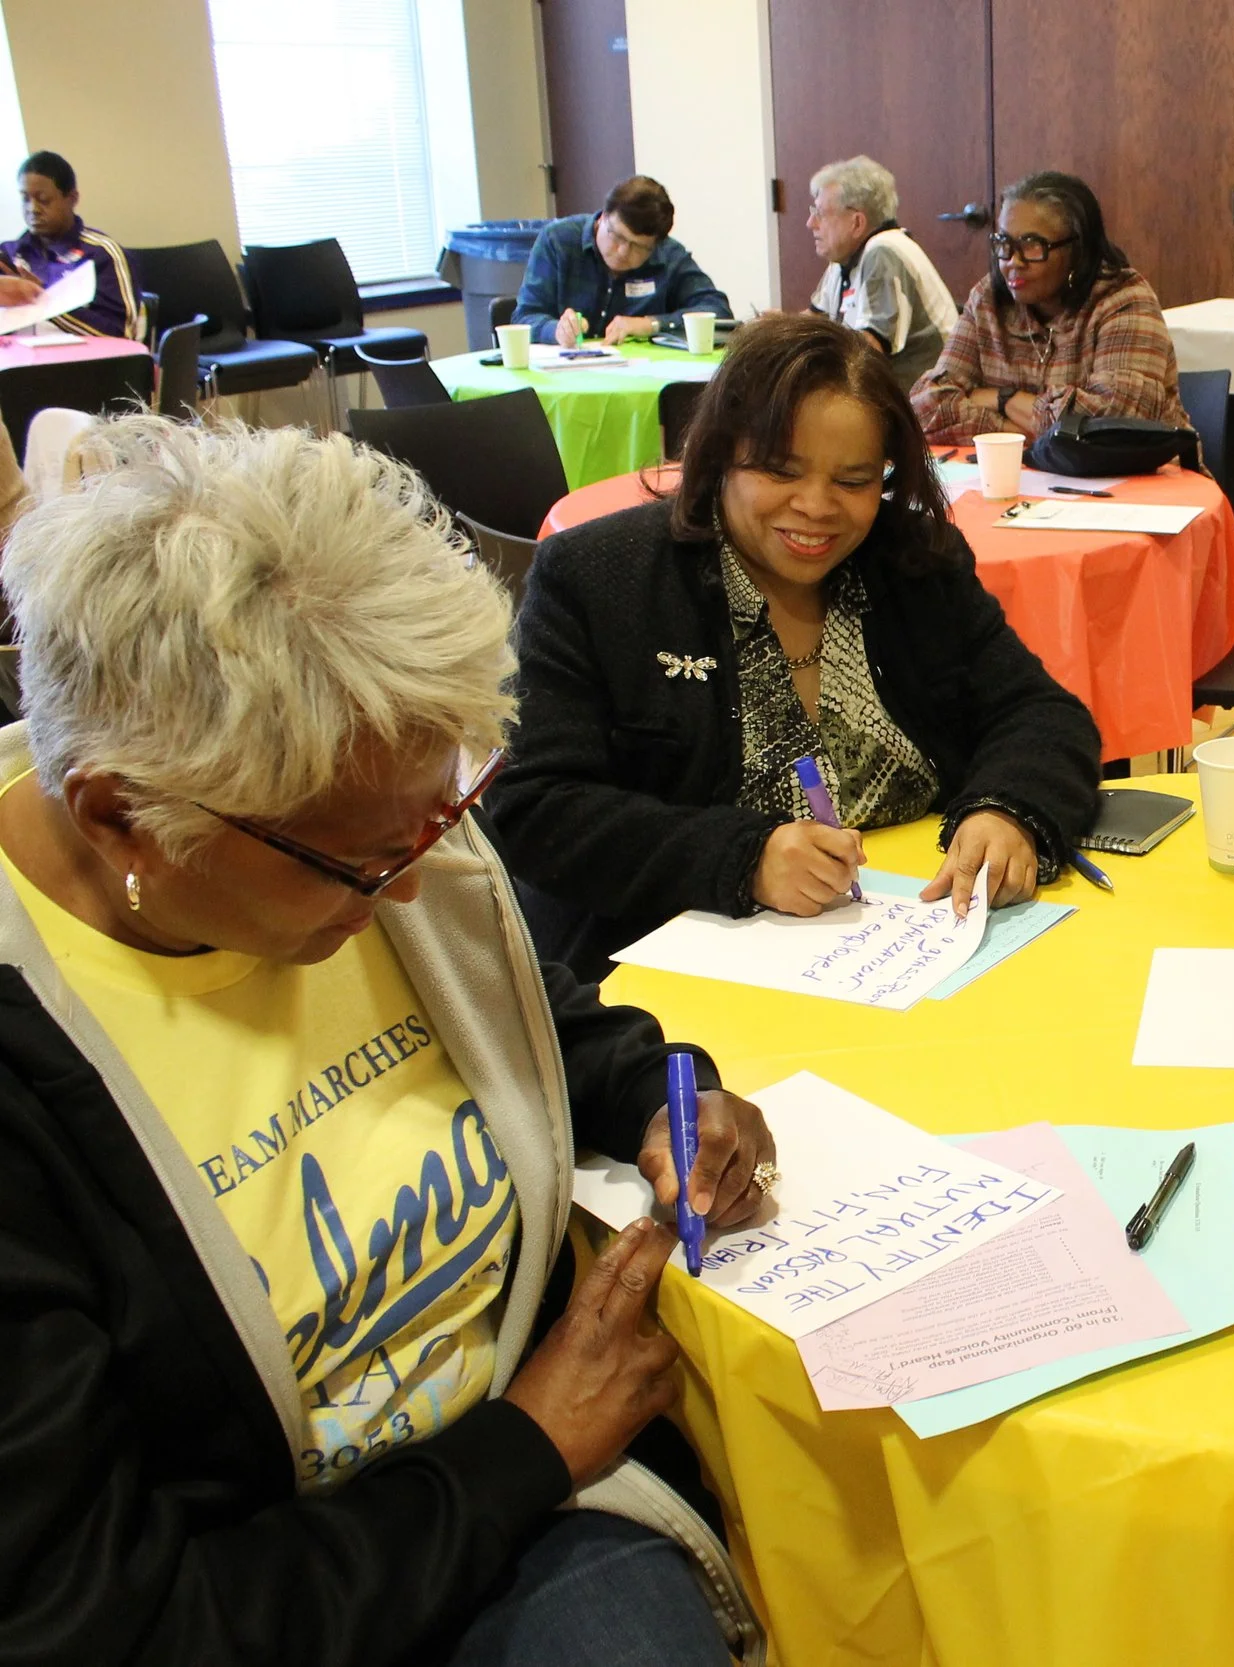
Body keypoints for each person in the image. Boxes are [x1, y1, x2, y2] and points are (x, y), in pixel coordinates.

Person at [0, 415, 772, 1664]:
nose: (415, 884)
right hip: (291, 1575)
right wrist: (523, 1444)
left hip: (537, 1501)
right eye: (359, 860)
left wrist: (667, 1092)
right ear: (124, 818)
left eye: (443, 814)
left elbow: (540, 1021)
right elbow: (102, 1622)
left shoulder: (363, 817)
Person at [493, 314, 1101, 982]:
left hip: (911, 959)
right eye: (780, 470)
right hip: (659, 985)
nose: (816, 507)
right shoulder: (599, 577)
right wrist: (743, 859)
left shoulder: (911, 565)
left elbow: (1043, 714)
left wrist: (1005, 808)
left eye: (853, 479)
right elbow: (536, 807)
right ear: (720, 453)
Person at [911, 169, 1187, 445]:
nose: (1012, 262)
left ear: (1076, 251)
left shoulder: (1123, 300)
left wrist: (1002, 399)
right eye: (1004, 243)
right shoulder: (988, 299)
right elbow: (927, 407)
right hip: (1031, 480)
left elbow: (1116, 424)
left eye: (1032, 245)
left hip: (1144, 481)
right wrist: (1019, 434)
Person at [512, 175, 731, 347]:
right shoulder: (558, 241)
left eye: (639, 247)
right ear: (603, 217)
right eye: (617, 236)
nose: (623, 251)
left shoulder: (668, 255)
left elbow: (717, 310)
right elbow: (524, 317)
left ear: (655, 244)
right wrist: (555, 330)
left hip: (641, 383)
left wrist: (650, 324)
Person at [805, 156, 957, 392]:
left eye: (821, 213)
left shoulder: (884, 250)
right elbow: (812, 321)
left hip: (925, 398)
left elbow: (869, 350)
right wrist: (773, 329)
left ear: (856, 223)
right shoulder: (843, 259)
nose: (810, 223)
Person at [0, 150, 142, 339]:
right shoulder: (9, 255)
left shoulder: (102, 254)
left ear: (72, 199)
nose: (32, 209)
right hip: (20, 364)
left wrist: (45, 302)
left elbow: (122, 338)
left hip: (84, 366)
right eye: (25, 199)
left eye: (43, 200)